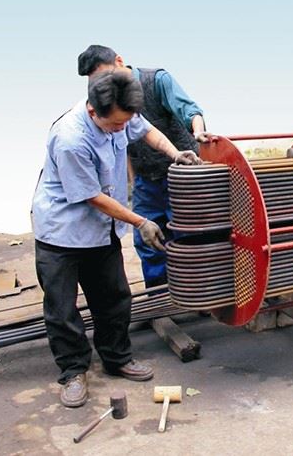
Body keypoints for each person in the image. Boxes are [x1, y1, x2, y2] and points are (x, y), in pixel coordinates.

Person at [32, 70, 202, 407]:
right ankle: (73, 372)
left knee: (114, 299)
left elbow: (147, 130)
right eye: (116, 125)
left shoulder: (120, 112)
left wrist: (174, 154)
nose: (123, 129)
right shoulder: (70, 139)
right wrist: (141, 222)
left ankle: (117, 358)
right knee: (62, 308)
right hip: (62, 232)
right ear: (93, 111)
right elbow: (91, 196)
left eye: (126, 122)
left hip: (101, 229)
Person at [77, 45, 212, 289]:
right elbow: (120, 143)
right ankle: (159, 296)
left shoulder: (156, 80)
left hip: (180, 176)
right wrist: (133, 180)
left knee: (188, 236)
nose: (103, 83)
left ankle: (197, 291)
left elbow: (188, 110)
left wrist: (198, 133)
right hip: (146, 180)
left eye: (105, 75)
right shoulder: (108, 98)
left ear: (119, 61)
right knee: (148, 240)